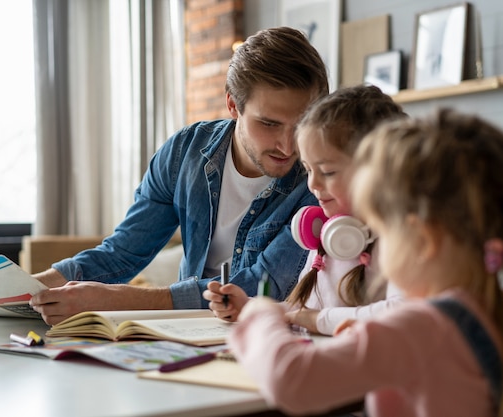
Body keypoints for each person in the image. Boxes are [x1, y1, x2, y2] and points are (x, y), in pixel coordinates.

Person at [228, 108, 503, 416]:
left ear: (423, 241)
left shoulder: (421, 328)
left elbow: (292, 380)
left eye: (383, 228)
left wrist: (260, 317)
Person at [29, 26, 329, 325]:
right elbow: (123, 253)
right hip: (184, 333)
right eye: (269, 124)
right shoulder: (183, 153)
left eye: (303, 123)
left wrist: (118, 299)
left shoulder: (319, 181)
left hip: (264, 337)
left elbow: (265, 287)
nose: (289, 146)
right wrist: (28, 290)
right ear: (233, 106)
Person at [203, 84, 406, 335]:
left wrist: (316, 319)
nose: (313, 184)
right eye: (308, 170)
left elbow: (403, 314)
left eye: (328, 172)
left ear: (378, 171)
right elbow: (303, 313)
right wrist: (248, 307)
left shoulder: (401, 239)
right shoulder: (329, 236)